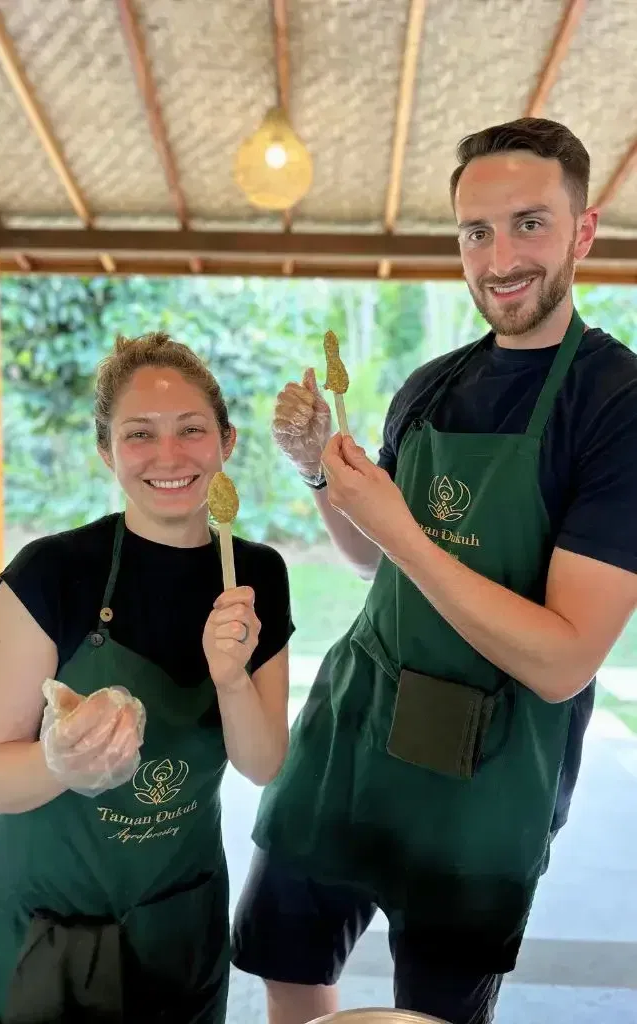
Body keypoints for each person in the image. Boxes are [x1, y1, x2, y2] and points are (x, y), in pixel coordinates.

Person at [231, 117, 637, 1024]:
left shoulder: (614, 405)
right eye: (475, 231)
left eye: (529, 223)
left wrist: (404, 530)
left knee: (441, 1007)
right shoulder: (431, 385)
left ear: (583, 229)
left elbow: (565, 658)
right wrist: (319, 476)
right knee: (284, 956)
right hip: (354, 729)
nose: (499, 258)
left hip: (487, 772)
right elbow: (370, 558)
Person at [0, 332, 293, 1023]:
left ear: (226, 442)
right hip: (38, 923)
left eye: (191, 430)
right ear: (107, 452)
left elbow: (262, 765)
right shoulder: (49, 575)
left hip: (174, 918)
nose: (168, 456)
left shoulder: (255, 576)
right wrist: (61, 761)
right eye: (139, 435)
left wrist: (232, 681)